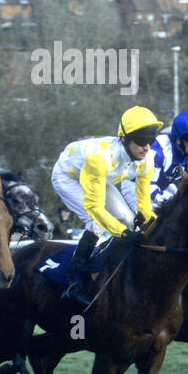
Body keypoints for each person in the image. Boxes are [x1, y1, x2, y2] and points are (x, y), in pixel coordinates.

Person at [51, 105, 162, 304]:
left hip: (99, 178)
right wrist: (124, 233)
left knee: (128, 219)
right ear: (124, 139)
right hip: (68, 177)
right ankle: (72, 281)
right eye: (141, 141)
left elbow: (144, 203)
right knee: (97, 224)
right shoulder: (100, 159)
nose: (147, 147)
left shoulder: (148, 158)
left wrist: (151, 221)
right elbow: (95, 208)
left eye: (151, 141)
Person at [146, 110, 188, 206]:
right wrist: (172, 204)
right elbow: (148, 186)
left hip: (163, 186)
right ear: (178, 140)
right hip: (137, 186)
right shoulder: (159, 152)